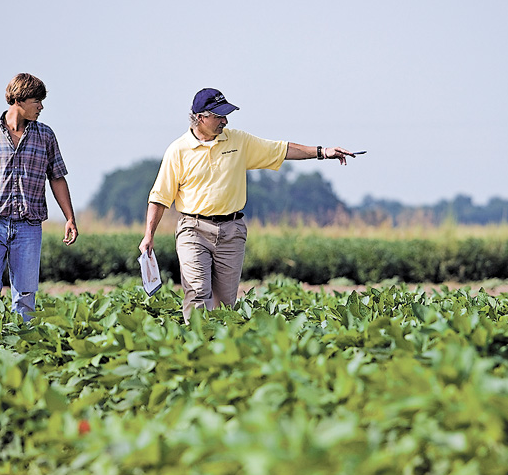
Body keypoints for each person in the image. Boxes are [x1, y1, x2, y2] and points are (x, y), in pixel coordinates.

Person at [139, 87, 356, 321]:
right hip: (194, 230)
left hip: (232, 230)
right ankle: (195, 346)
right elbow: (160, 197)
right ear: (200, 117)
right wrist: (148, 235)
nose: (225, 120)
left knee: (225, 304)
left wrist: (323, 152)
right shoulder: (178, 151)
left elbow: (281, 150)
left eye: (225, 114)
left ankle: (219, 348)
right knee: (198, 291)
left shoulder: (238, 141)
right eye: (219, 115)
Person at [0, 73, 77, 321]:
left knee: (25, 294)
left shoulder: (45, 136)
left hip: (29, 225)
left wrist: (70, 218)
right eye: (37, 100)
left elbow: (57, 177)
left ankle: (22, 347)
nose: (41, 106)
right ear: (19, 100)